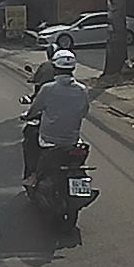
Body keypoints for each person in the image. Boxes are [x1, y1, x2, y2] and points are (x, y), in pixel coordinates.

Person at [22, 49, 89, 187]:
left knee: (30, 138)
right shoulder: (82, 89)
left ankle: (33, 174)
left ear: (55, 68)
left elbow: (34, 109)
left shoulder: (48, 88)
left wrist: (27, 116)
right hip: (72, 140)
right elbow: (83, 112)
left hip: (49, 139)